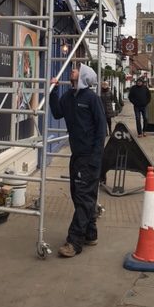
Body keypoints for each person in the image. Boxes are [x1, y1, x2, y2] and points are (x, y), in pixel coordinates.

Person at [49, 64, 106, 258]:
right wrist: (53, 91)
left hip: (89, 157)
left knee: (83, 197)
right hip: (77, 155)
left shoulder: (92, 99)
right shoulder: (68, 97)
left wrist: (96, 157)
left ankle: (74, 241)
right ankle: (90, 232)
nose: (72, 70)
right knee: (79, 195)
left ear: (83, 76)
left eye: (76, 69)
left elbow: (101, 129)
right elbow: (57, 112)